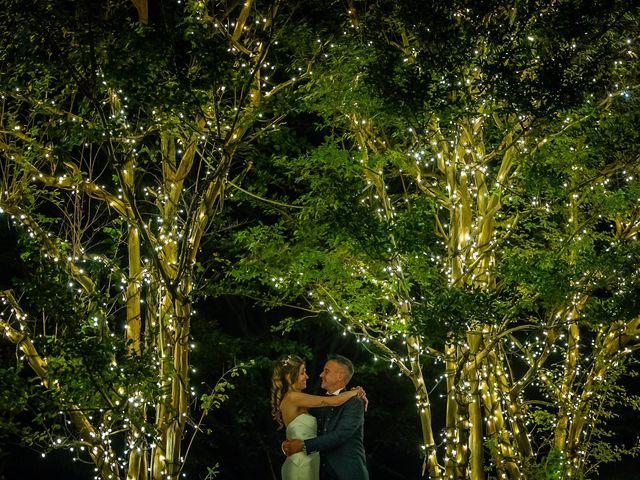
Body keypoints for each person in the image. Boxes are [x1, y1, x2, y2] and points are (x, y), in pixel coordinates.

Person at [271, 354, 366, 480]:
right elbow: (333, 402)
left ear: (340, 376)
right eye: (302, 373)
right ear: (289, 377)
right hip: (313, 469)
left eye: (326, 371)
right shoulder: (309, 401)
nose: (320, 375)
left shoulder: (354, 402)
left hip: (346, 474)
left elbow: (340, 435)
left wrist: (302, 445)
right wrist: (356, 391)